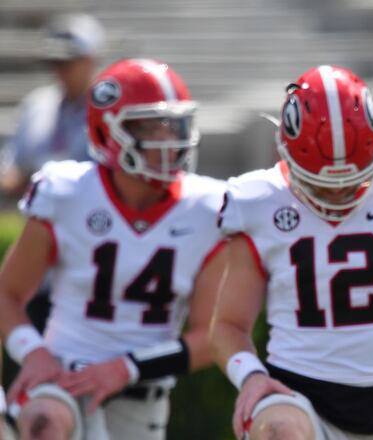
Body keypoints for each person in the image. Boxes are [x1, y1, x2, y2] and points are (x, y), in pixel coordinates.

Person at [209, 65, 373, 440]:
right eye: (322, 184)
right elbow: (228, 325)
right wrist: (251, 377)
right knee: (279, 431)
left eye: (353, 180)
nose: (338, 193)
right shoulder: (260, 200)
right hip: (293, 393)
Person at [0, 58, 226, 440]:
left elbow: (212, 335)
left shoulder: (209, 207)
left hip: (142, 393)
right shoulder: (67, 191)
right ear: (107, 134)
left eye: (173, 126)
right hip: (63, 379)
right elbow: (7, 293)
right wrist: (34, 353)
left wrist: (125, 367)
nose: (168, 141)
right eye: (150, 127)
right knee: (45, 423)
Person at [0, 13, 104, 201]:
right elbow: (10, 173)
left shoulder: (109, 111)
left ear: (91, 60)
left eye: (68, 62)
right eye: (55, 63)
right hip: (38, 212)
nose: (59, 71)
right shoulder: (36, 105)